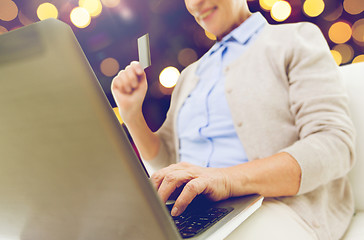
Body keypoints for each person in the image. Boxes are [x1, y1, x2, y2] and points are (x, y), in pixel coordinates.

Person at [111, 0, 355, 239]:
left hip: (278, 208)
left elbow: (334, 144)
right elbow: (166, 162)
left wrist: (226, 178)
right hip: (191, 211)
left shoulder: (294, 39)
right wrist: (132, 114)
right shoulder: (188, 76)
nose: (195, 3)